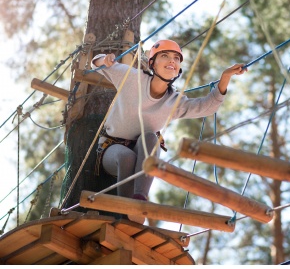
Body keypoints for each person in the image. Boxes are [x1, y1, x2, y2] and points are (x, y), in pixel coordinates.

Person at [91, 39, 247, 223]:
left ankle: (139, 201)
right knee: (126, 156)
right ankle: (124, 212)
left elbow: (206, 107)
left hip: (143, 151)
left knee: (150, 137)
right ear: (152, 64)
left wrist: (225, 77)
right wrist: (104, 59)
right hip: (112, 149)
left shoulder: (174, 101)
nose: (171, 61)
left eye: (176, 58)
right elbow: (96, 63)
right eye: (164, 56)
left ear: (179, 67)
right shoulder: (132, 78)